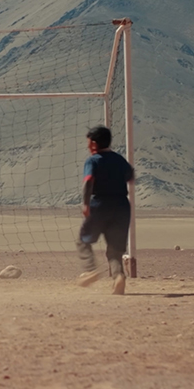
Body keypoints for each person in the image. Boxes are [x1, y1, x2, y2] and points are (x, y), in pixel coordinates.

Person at [75, 126, 135, 295]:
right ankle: (118, 277)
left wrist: (86, 204)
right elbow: (130, 176)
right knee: (115, 249)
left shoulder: (93, 160)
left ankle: (89, 270)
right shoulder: (119, 159)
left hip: (100, 204)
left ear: (93, 144)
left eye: (88, 143)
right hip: (122, 206)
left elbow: (88, 181)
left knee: (83, 240)